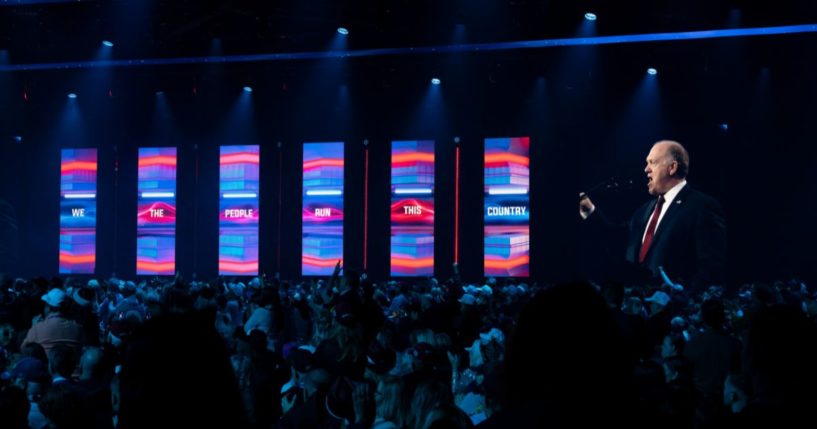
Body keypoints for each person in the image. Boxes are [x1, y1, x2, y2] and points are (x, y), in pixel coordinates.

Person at [580, 140, 727, 292]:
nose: (646, 169)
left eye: (652, 162)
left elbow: (712, 266)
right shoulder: (644, 210)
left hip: (675, 311)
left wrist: (685, 296)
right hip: (637, 307)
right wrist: (591, 213)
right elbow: (618, 240)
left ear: (672, 167)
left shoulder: (702, 206)